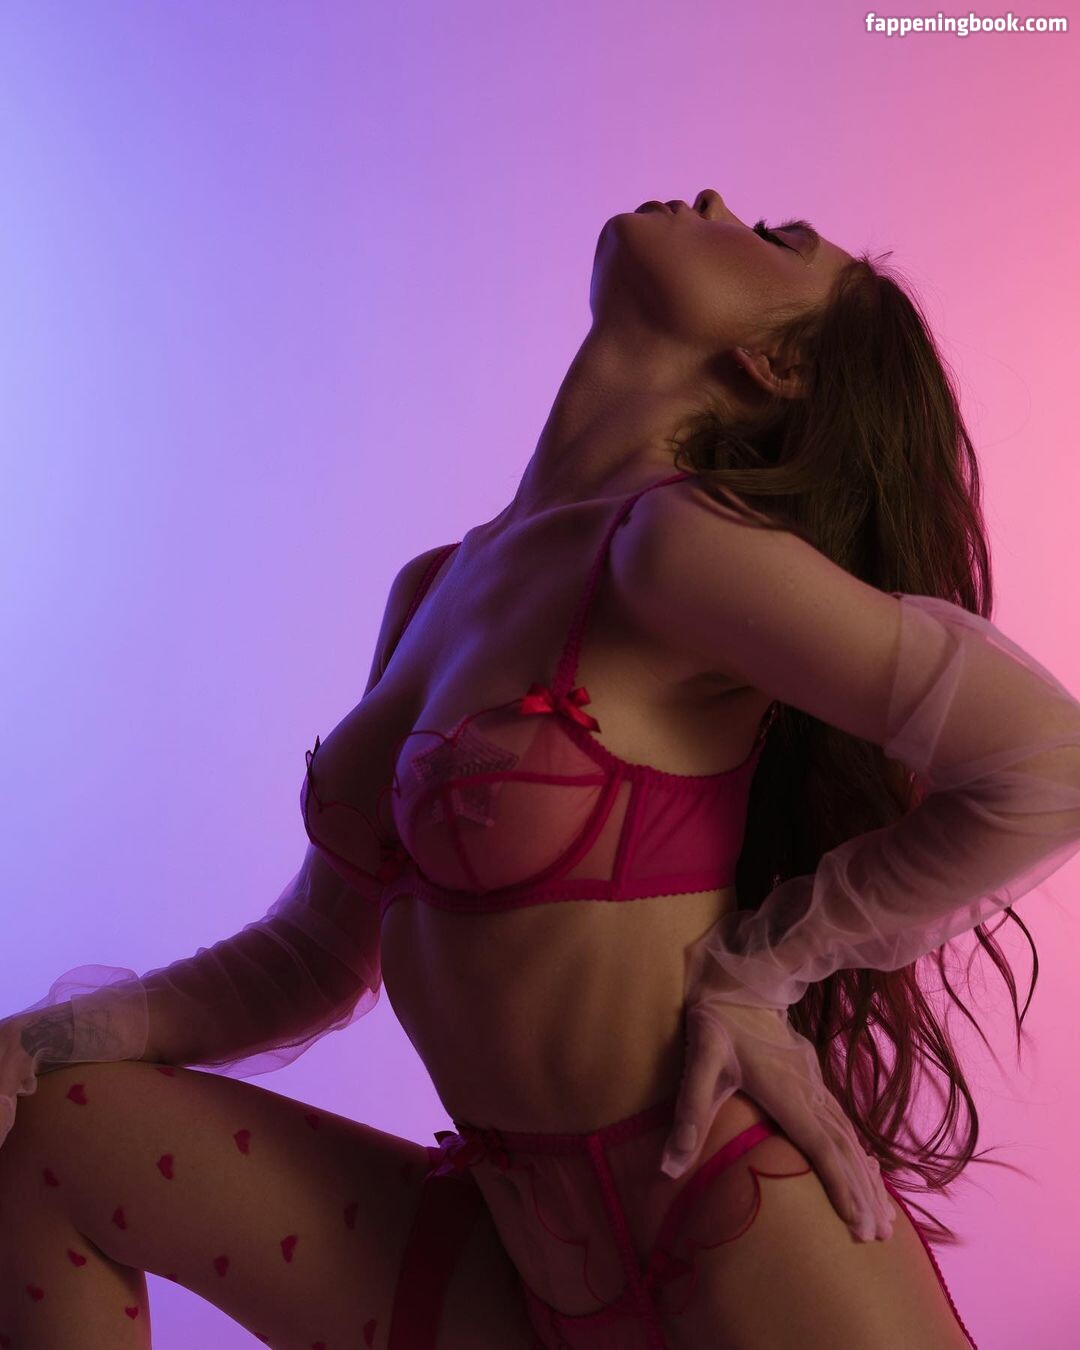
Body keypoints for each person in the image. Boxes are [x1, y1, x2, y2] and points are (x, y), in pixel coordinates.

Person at [3, 187, 1079, 1349]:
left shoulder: (676, 551)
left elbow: (1049, 765)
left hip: (734, 1236)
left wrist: (761, 973)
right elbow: (312, 956)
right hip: (512, 1270)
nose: (715, 199)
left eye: (776, 238)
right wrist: (30, 1043)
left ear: (775, 363)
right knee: (53, 1133)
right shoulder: (433, 587)